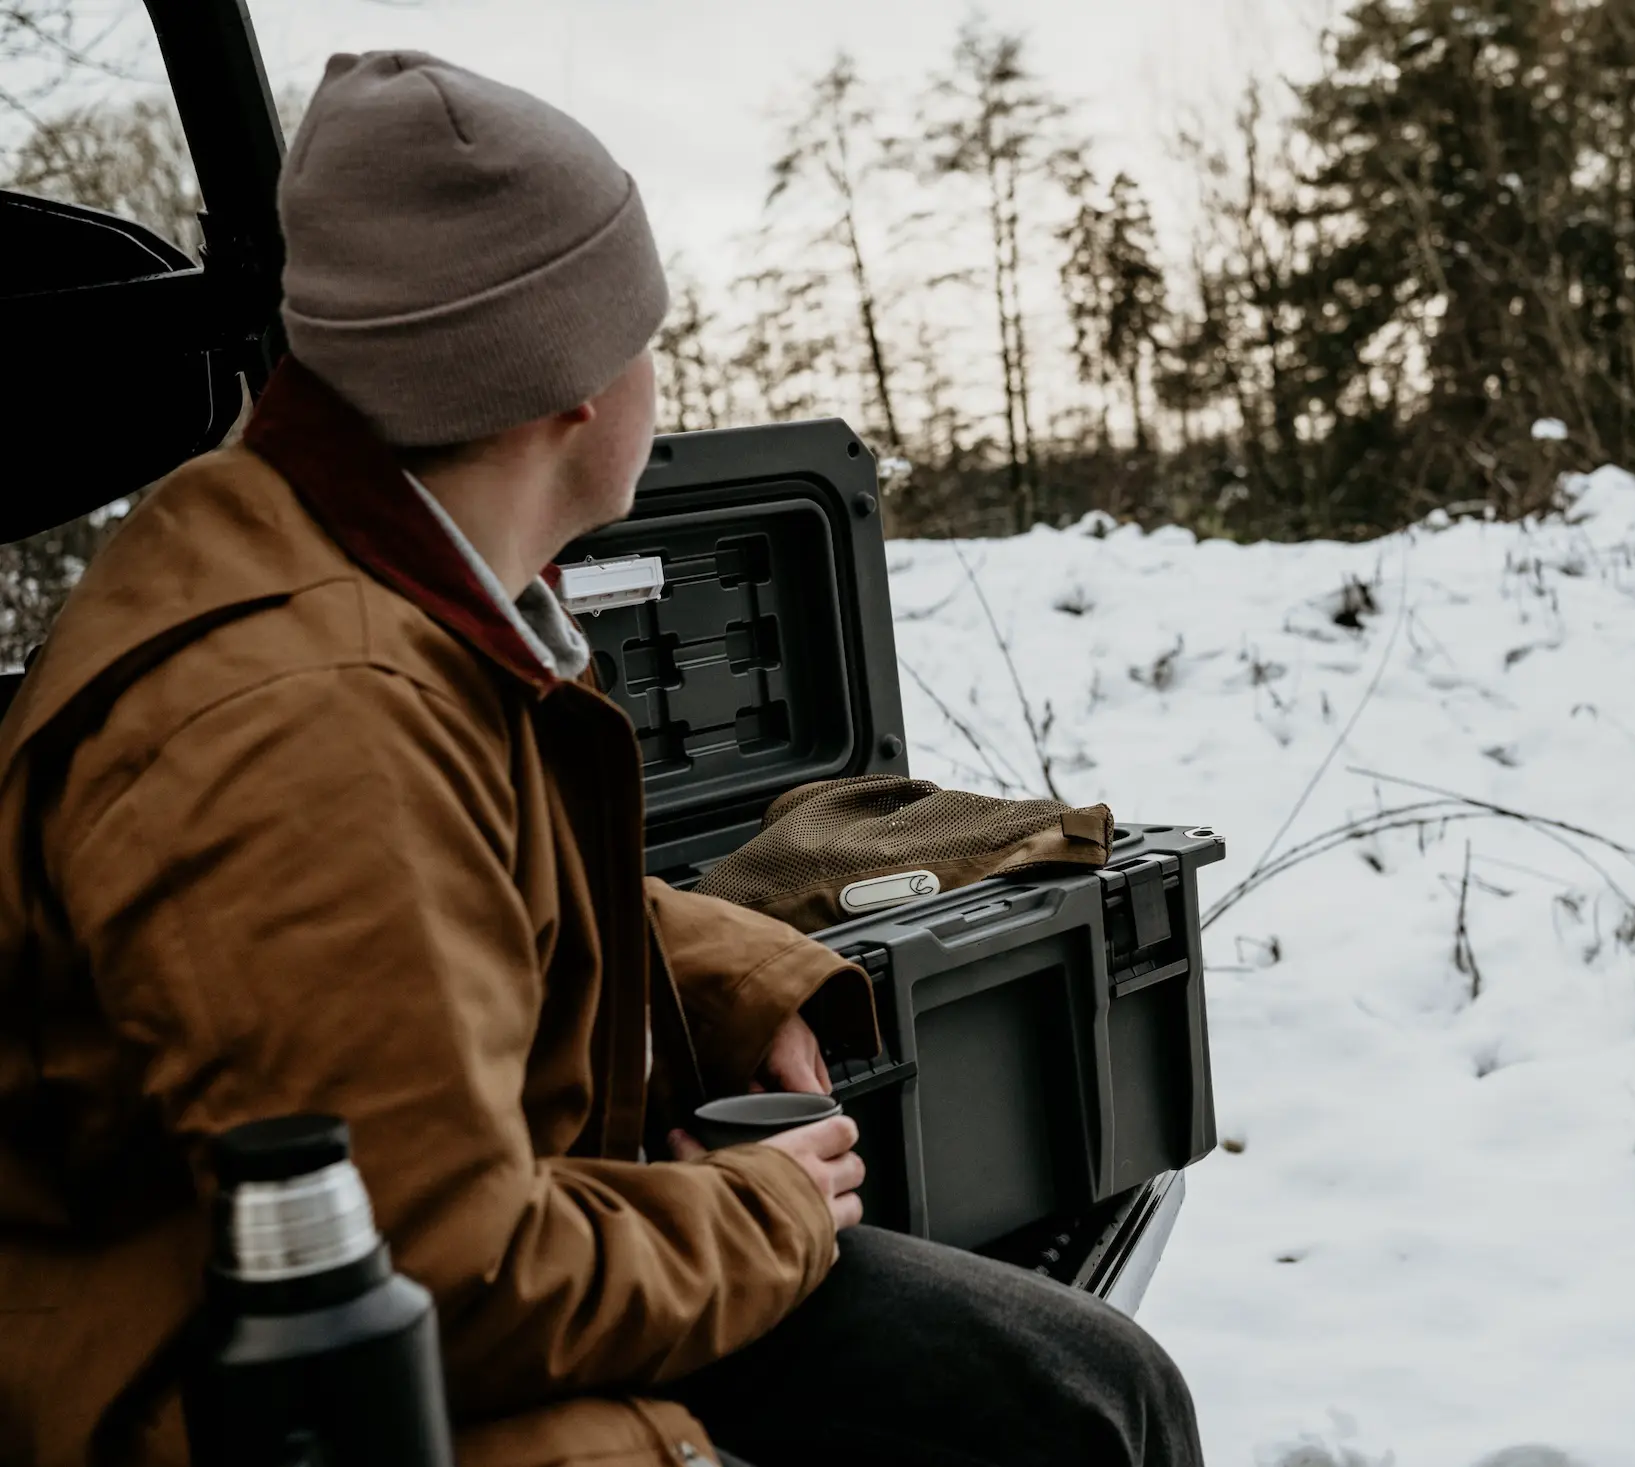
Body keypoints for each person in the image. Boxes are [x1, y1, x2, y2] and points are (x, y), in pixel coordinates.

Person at [0, 50, 1201, 1467]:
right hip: (239, 1391)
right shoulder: (309, 722)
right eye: (646, 330)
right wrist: (763, 1207)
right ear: (567, 385)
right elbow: (438, 1281)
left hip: (427, 1279)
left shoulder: (332, 555)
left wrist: (725, 976)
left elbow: (455, 888)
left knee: (1081, 1391)